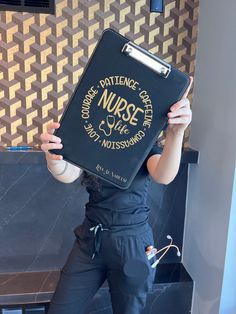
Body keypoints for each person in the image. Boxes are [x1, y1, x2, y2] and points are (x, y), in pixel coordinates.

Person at [40, 77, 193, 314]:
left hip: (132, 243)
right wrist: (53, 158)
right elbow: (68, 173)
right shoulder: (92, 141)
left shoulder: (143, 146)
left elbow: (164, 174)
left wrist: (176, 133)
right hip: (91, 239)